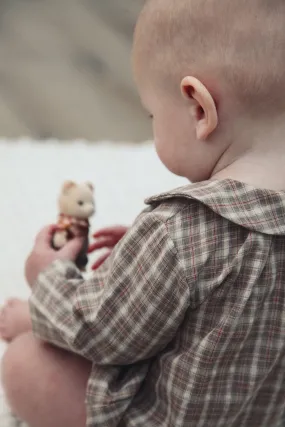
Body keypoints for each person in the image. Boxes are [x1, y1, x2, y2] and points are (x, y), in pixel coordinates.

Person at [1, 0, 285, 425]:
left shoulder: (180, 232)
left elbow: (104, 332)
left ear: (198, 109)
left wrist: (46, 282)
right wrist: (141, 256)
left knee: (25, 361)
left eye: (153, 113)